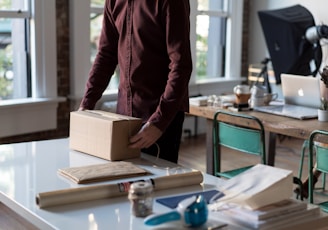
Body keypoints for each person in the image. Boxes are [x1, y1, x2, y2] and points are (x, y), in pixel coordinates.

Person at [79, 0, 192, 163]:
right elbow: (106, 55)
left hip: (161, 116)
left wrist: (159, 122)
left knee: (157, 186)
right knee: (126, 184)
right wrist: (86, 106)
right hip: (124, 117)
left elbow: (181, 66)